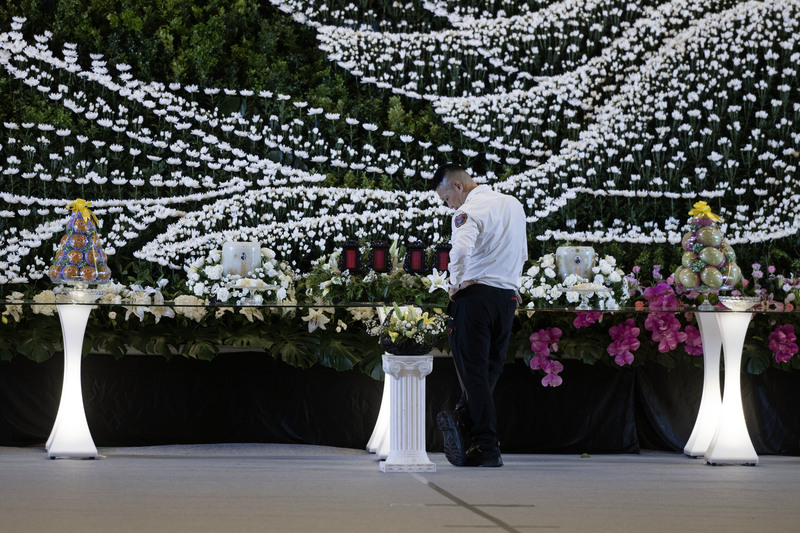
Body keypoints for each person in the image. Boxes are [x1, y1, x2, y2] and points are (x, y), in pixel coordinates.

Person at [430, 163, 528, 468]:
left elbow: (459, 250)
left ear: (458, 187)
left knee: (474, 375)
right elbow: (522, 251)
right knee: (488, 373)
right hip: (506, 298)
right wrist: (514, 283)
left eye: (446, 198)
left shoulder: (469, 210)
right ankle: (468, 429)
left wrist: (454, 283)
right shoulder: (512, 205)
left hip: (475, 298)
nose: (448, 204)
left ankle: (487, 446)